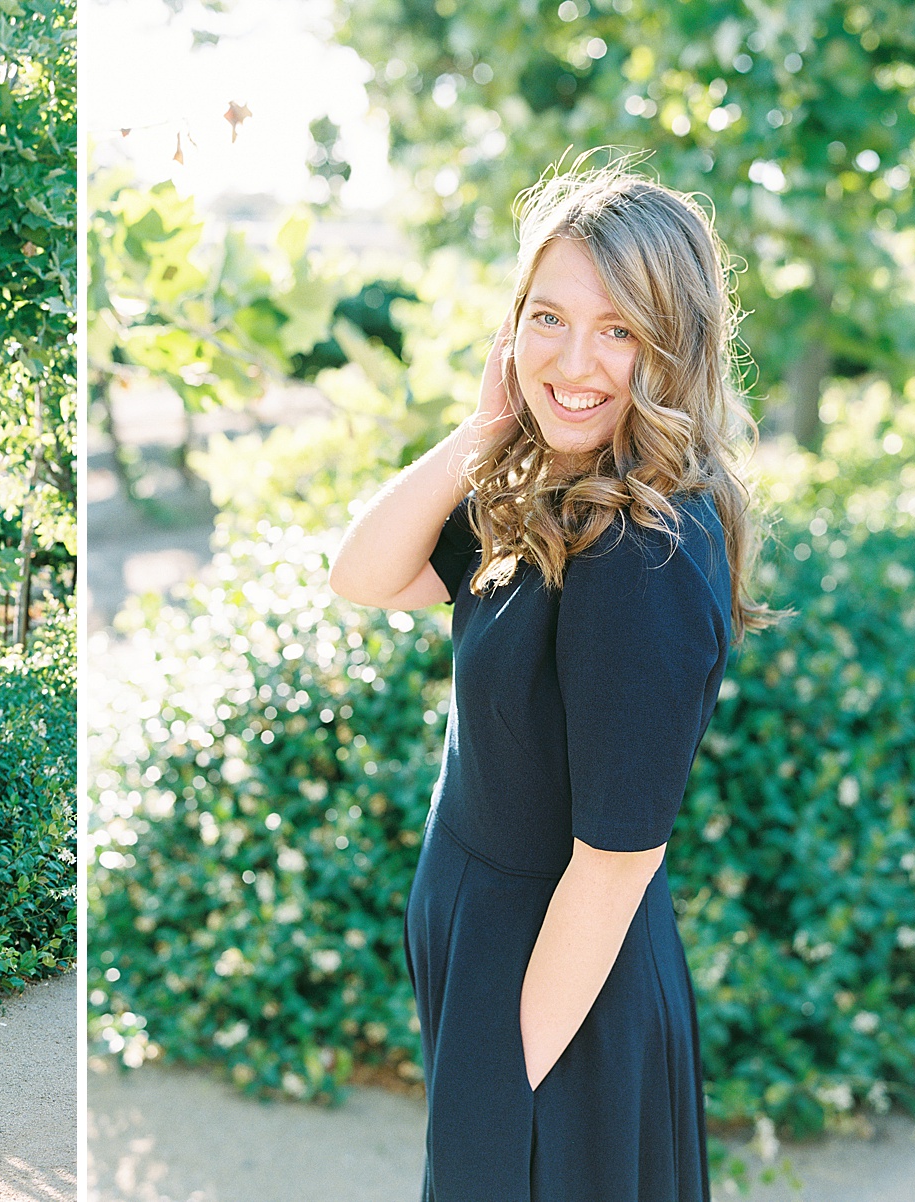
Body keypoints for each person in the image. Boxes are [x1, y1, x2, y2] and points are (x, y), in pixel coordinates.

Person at [329, 165, 773, 1200]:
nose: (576, 362)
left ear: (676, 345)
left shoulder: (639, 556)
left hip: (559, 991)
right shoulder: (550, 491)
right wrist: (485, 428)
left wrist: (501, 1086)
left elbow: (615, 866)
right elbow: (361, 574)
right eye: (547, 318)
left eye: (619, 330)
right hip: (496, 953)